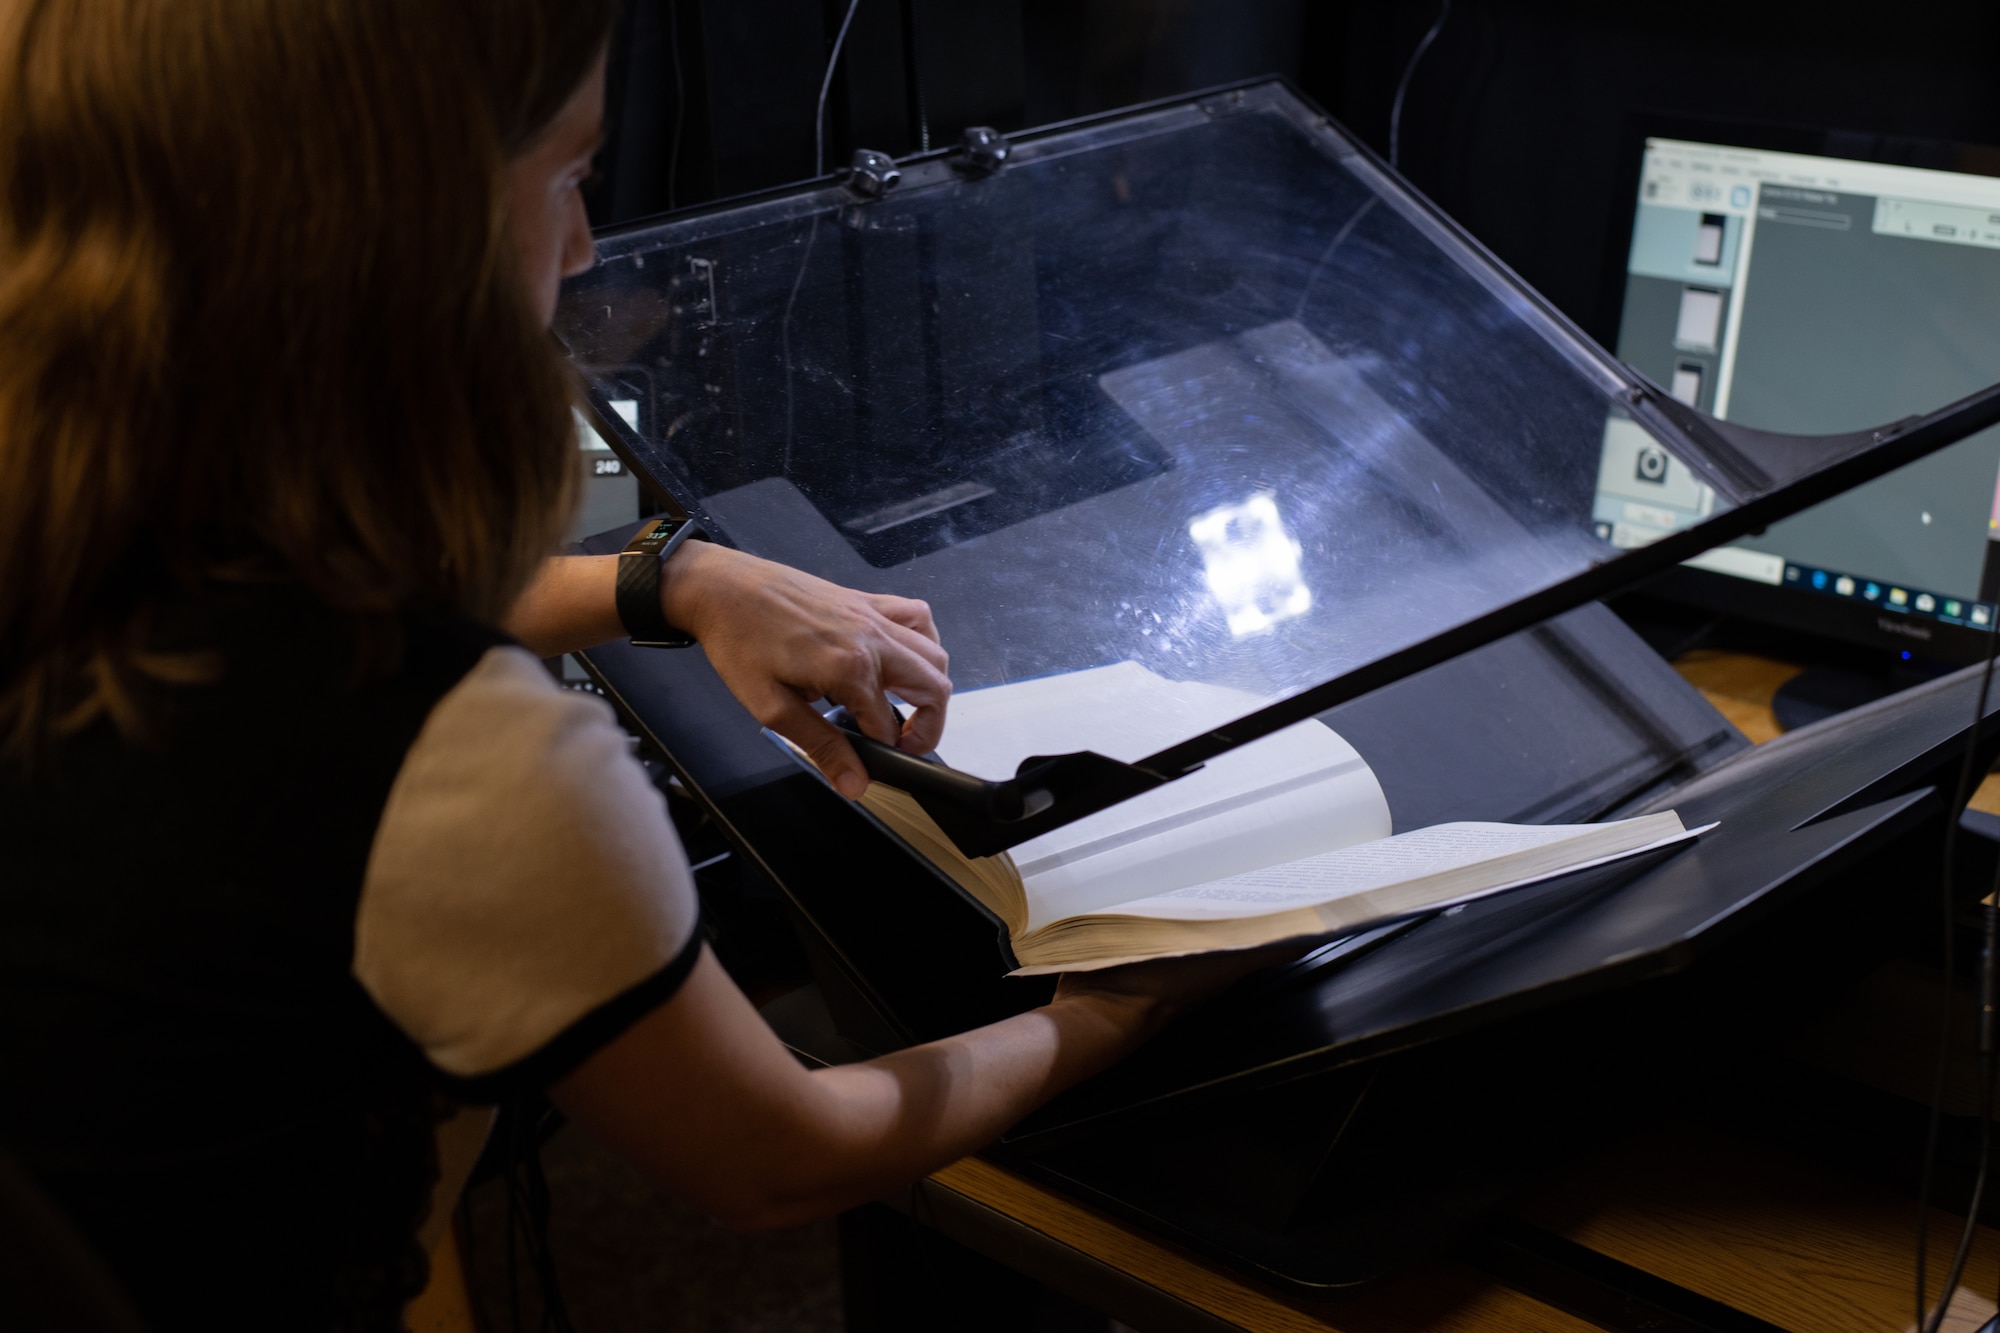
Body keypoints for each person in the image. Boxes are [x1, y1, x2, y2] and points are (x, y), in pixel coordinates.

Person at [0, 3, 1267, 1328]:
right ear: (394, 230)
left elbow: (286, 601)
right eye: (568, 175)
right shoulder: (458, 759)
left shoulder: (71, 495)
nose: (589, 242)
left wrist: (673, 578)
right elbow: (782, 1152)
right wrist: (1116, 1010)